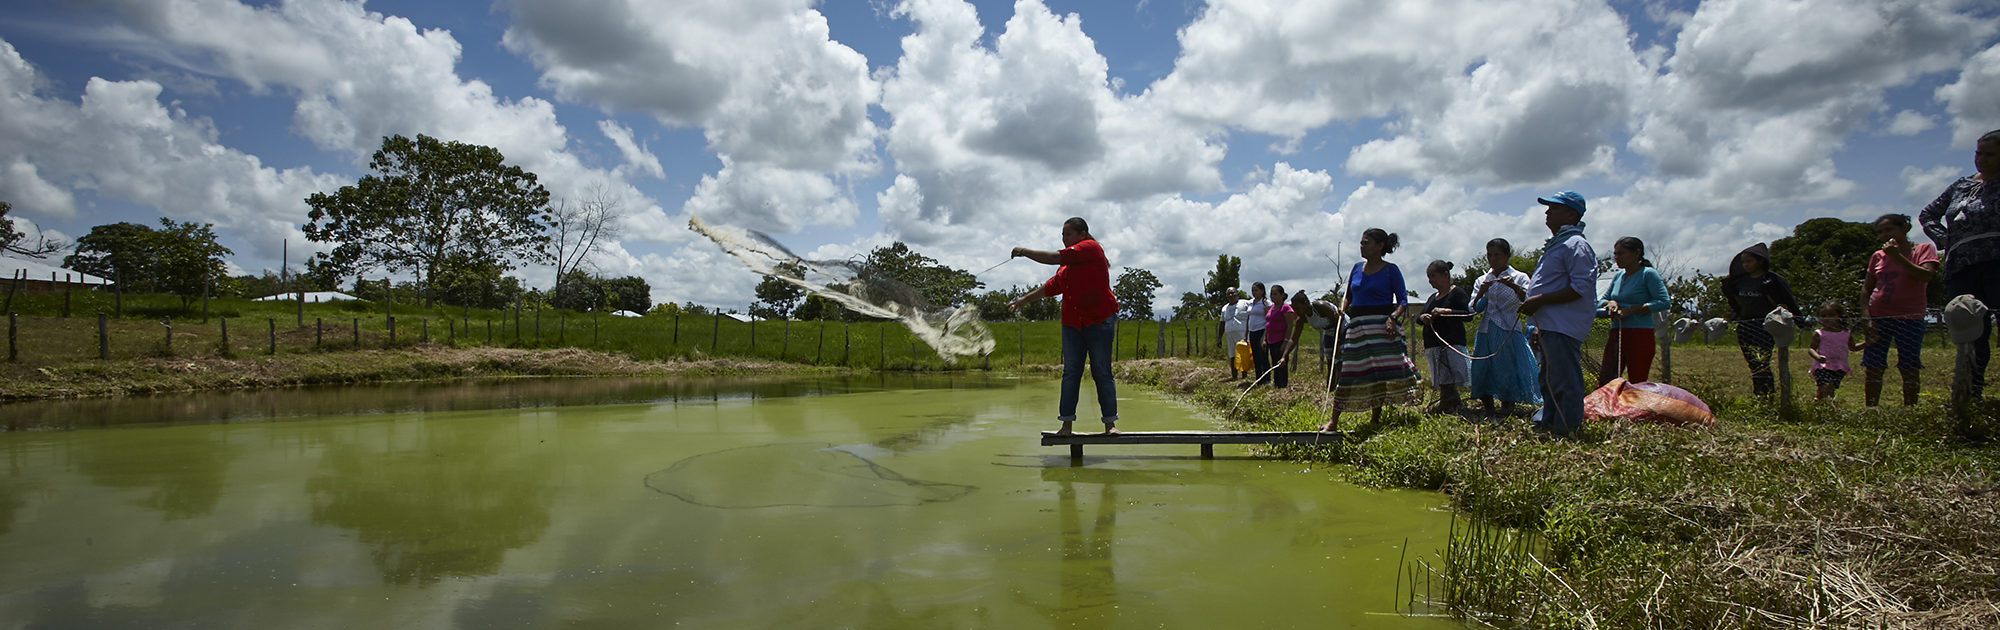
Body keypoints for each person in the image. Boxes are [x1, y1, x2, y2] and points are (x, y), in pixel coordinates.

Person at [1008, 217, 1119, 436]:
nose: (1064, 237)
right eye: (1062, 234)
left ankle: (1110, 425)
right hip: (1072, 323)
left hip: (1099, 319)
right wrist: (1023, 301)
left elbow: (1055, 257)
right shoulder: (1066, 266)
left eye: (1068, 234)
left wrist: (1023, 251)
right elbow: (1051, 287)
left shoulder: (1090, 248)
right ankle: (1066, 426)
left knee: (1101, 371)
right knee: (1071, 373)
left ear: (1082, 234)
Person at [1917, 129, 2000, 402]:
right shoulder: (1961, 185)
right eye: (1979, 153)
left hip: (1995, 263)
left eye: (1990, 154)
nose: (1982, 159)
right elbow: (1928, 214)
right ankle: (1970, 392)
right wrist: (1944, 239)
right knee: (1971, 329)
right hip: (1961, 265)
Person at [1320, 228, 1419, 431]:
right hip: (1358, 327)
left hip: (1382, 328)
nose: (1362, 246)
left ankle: (1375, 419)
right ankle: (1333, 421)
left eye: (1366, 242)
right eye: (1361, 242)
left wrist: (1392, 318)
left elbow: (1402, 300)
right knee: (1348, 372)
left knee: (1380, 374)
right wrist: (1342, 306)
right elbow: (1348, 294)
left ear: (1380, 246)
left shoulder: (1391, 270)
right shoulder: (1356, 268)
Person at [1519, 191, 1596, 437]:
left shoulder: (1576, 245)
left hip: (1564, 325)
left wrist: (1539, 300)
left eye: (1554, 208)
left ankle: (1567, 426)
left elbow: (1580, 288)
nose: (1547, 212)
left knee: (1564, 377)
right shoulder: (1558, 244)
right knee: (1549, 378)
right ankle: (1550, 421)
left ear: (1572, 214)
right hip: (1549, 324)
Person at [1861, 213, 1940, 406]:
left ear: (1905, 228)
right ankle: (1871, 408)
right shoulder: (1877, 256)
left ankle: (1909, 409)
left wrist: (1898, 257)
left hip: (1910, 318)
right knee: (1874, 365)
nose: (1884, 235)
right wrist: (1866, 317)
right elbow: (1866, 288)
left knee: (1909, 365)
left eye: (1889, 229)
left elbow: (1926, 276)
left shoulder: (1923, 249)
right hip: (1879, 317)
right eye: (1880, 232)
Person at [1470, 238, 1540, 416]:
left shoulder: (1520, 277)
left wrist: (1513, 286)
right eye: (1489, 255)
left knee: (1506, 368)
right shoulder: (1482, 280)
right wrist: (1481, 293)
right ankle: (1488, 407)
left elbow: (1529, 300)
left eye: (1497, 255)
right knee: (1481, 367)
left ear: (1507, 256)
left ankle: (1507, 406)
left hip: (1508, 329)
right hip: (1486, 329)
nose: (1493, 259)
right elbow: (1473, 309)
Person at [1721, 242, 1800, 397]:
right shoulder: (1739, 282)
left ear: (1760, 261)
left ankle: (1767, 394)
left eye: (1749, 261)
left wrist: (1800, 320)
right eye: (1743, 262)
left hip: (1765, 326)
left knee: (1762, 362)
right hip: (1745, 325)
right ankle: (1759, 394)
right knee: (1752, 362)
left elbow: (1789, 300)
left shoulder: (1771, 280)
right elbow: (1734, 300)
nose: (1746, 265)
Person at [1596, 237, 1671, 385]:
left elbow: (1664, 302)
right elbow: (1600, 300)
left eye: (1621, 253)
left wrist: (1632, 310)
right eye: (1615, 254)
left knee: (1637, 380)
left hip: (1639, 334)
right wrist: (1610, 303)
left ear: (1637, 253)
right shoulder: (1618, 276)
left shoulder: (1647, 274)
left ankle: (1636, 407)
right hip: (1617, 332)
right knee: (1607, 378)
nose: (1617, 257)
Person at [1417, 260, 1473, 413]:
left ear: (1445, 275)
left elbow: (1468, 315)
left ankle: (1451, 401)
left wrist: (1446, 311)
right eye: (1429, 277)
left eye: (1433, 276)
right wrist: (1423, 318)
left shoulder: (1457, 293)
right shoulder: (1432, 298)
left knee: (1454, 373)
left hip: (1451, 341)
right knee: (1442, 377)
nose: (1430, 281)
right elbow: (1419, 316)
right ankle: (1447, 401)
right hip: (1433, 343)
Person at [1808, 300, 1867, 401]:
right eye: (1823, 316)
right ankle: (1830, 407)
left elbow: (1853, 347)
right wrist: (1817, 356)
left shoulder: (1846, 333)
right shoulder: (1819, 333)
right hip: (1823, 366)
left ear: (1839, 316)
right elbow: (1811, 348)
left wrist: (1867, 343)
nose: (1827, 319)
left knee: (1828, 388)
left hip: (1839, 367)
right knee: (1827, 386)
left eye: (1831, 315)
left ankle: (1817, 401)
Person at [1285, 290, 1344, 390]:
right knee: (1330, 361)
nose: (1296, 311)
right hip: (1328, 331)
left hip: (1341, 328)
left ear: (1306, 303)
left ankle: (1343, 386)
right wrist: (1284, 356)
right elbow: (1294, 338)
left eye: (1297, 308)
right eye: (1294, 309)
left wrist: (1337, 343)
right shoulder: (1302, 318)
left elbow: (1338, 320)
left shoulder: (1320, 306)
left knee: (1339, 360)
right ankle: (1331, 388)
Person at [1262, 284, 1299, 388]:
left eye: (1275, 294)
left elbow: (1290, 326)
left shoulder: (1286, 308)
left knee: (1281, 363)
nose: (1272, 296)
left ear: (1282, 295)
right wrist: (1264, 338)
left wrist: (1286, 341)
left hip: (1281, 339)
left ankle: (1282, 385)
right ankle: (1276, 383)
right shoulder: (1271, 308)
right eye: (1271, 294)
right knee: (1274, 362)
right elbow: (1267, 323)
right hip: (1271, 340)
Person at [1219, 288, 1250, 380]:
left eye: (1232, 293)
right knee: (1232, 355)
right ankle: (1234, 376)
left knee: (1243, 353)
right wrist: (1219, 338)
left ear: (1237, 294)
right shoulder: (1224, 308)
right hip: (1230, 335)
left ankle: (1244, 375)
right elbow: (1222, 323)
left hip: (1242, 333)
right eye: (1228, 294)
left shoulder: (1245, 303)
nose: (1231, 295)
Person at [1245, 281, 1270, 386]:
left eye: (1256, 290)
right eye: (1252, 291)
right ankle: (1258, 378)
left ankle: (1266, 378)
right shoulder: (1250, 302)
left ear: (1262, 291)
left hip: (1262, 330)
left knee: (1263, 355)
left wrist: (1265, 336)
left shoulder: (1265, 303)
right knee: (1255, 356)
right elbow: (1248, 318)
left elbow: (1268, 319)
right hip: (1252, 331)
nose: (1254, 293)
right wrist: (1246, 334)